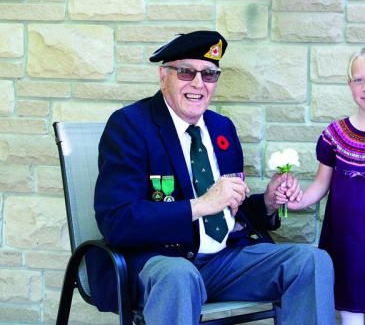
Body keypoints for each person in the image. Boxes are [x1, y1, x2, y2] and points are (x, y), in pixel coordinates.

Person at [89, 30, 335, 325]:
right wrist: (201, 204)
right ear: (163, 76)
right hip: (162, 263)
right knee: (179, 276)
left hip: (225, 260)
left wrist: (267, 203)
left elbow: (230, 210)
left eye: (209, 74)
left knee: (312, 262)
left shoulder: (221, 128)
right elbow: (117, 221)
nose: (198, 83)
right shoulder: (130, 126)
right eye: (185, 72)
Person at [285, 44, 365, 325]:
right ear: (350, 84)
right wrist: (299, 201)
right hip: (343, 237)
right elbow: (322, 183)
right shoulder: (334, 135)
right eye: (359, 80)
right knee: (348, 312)